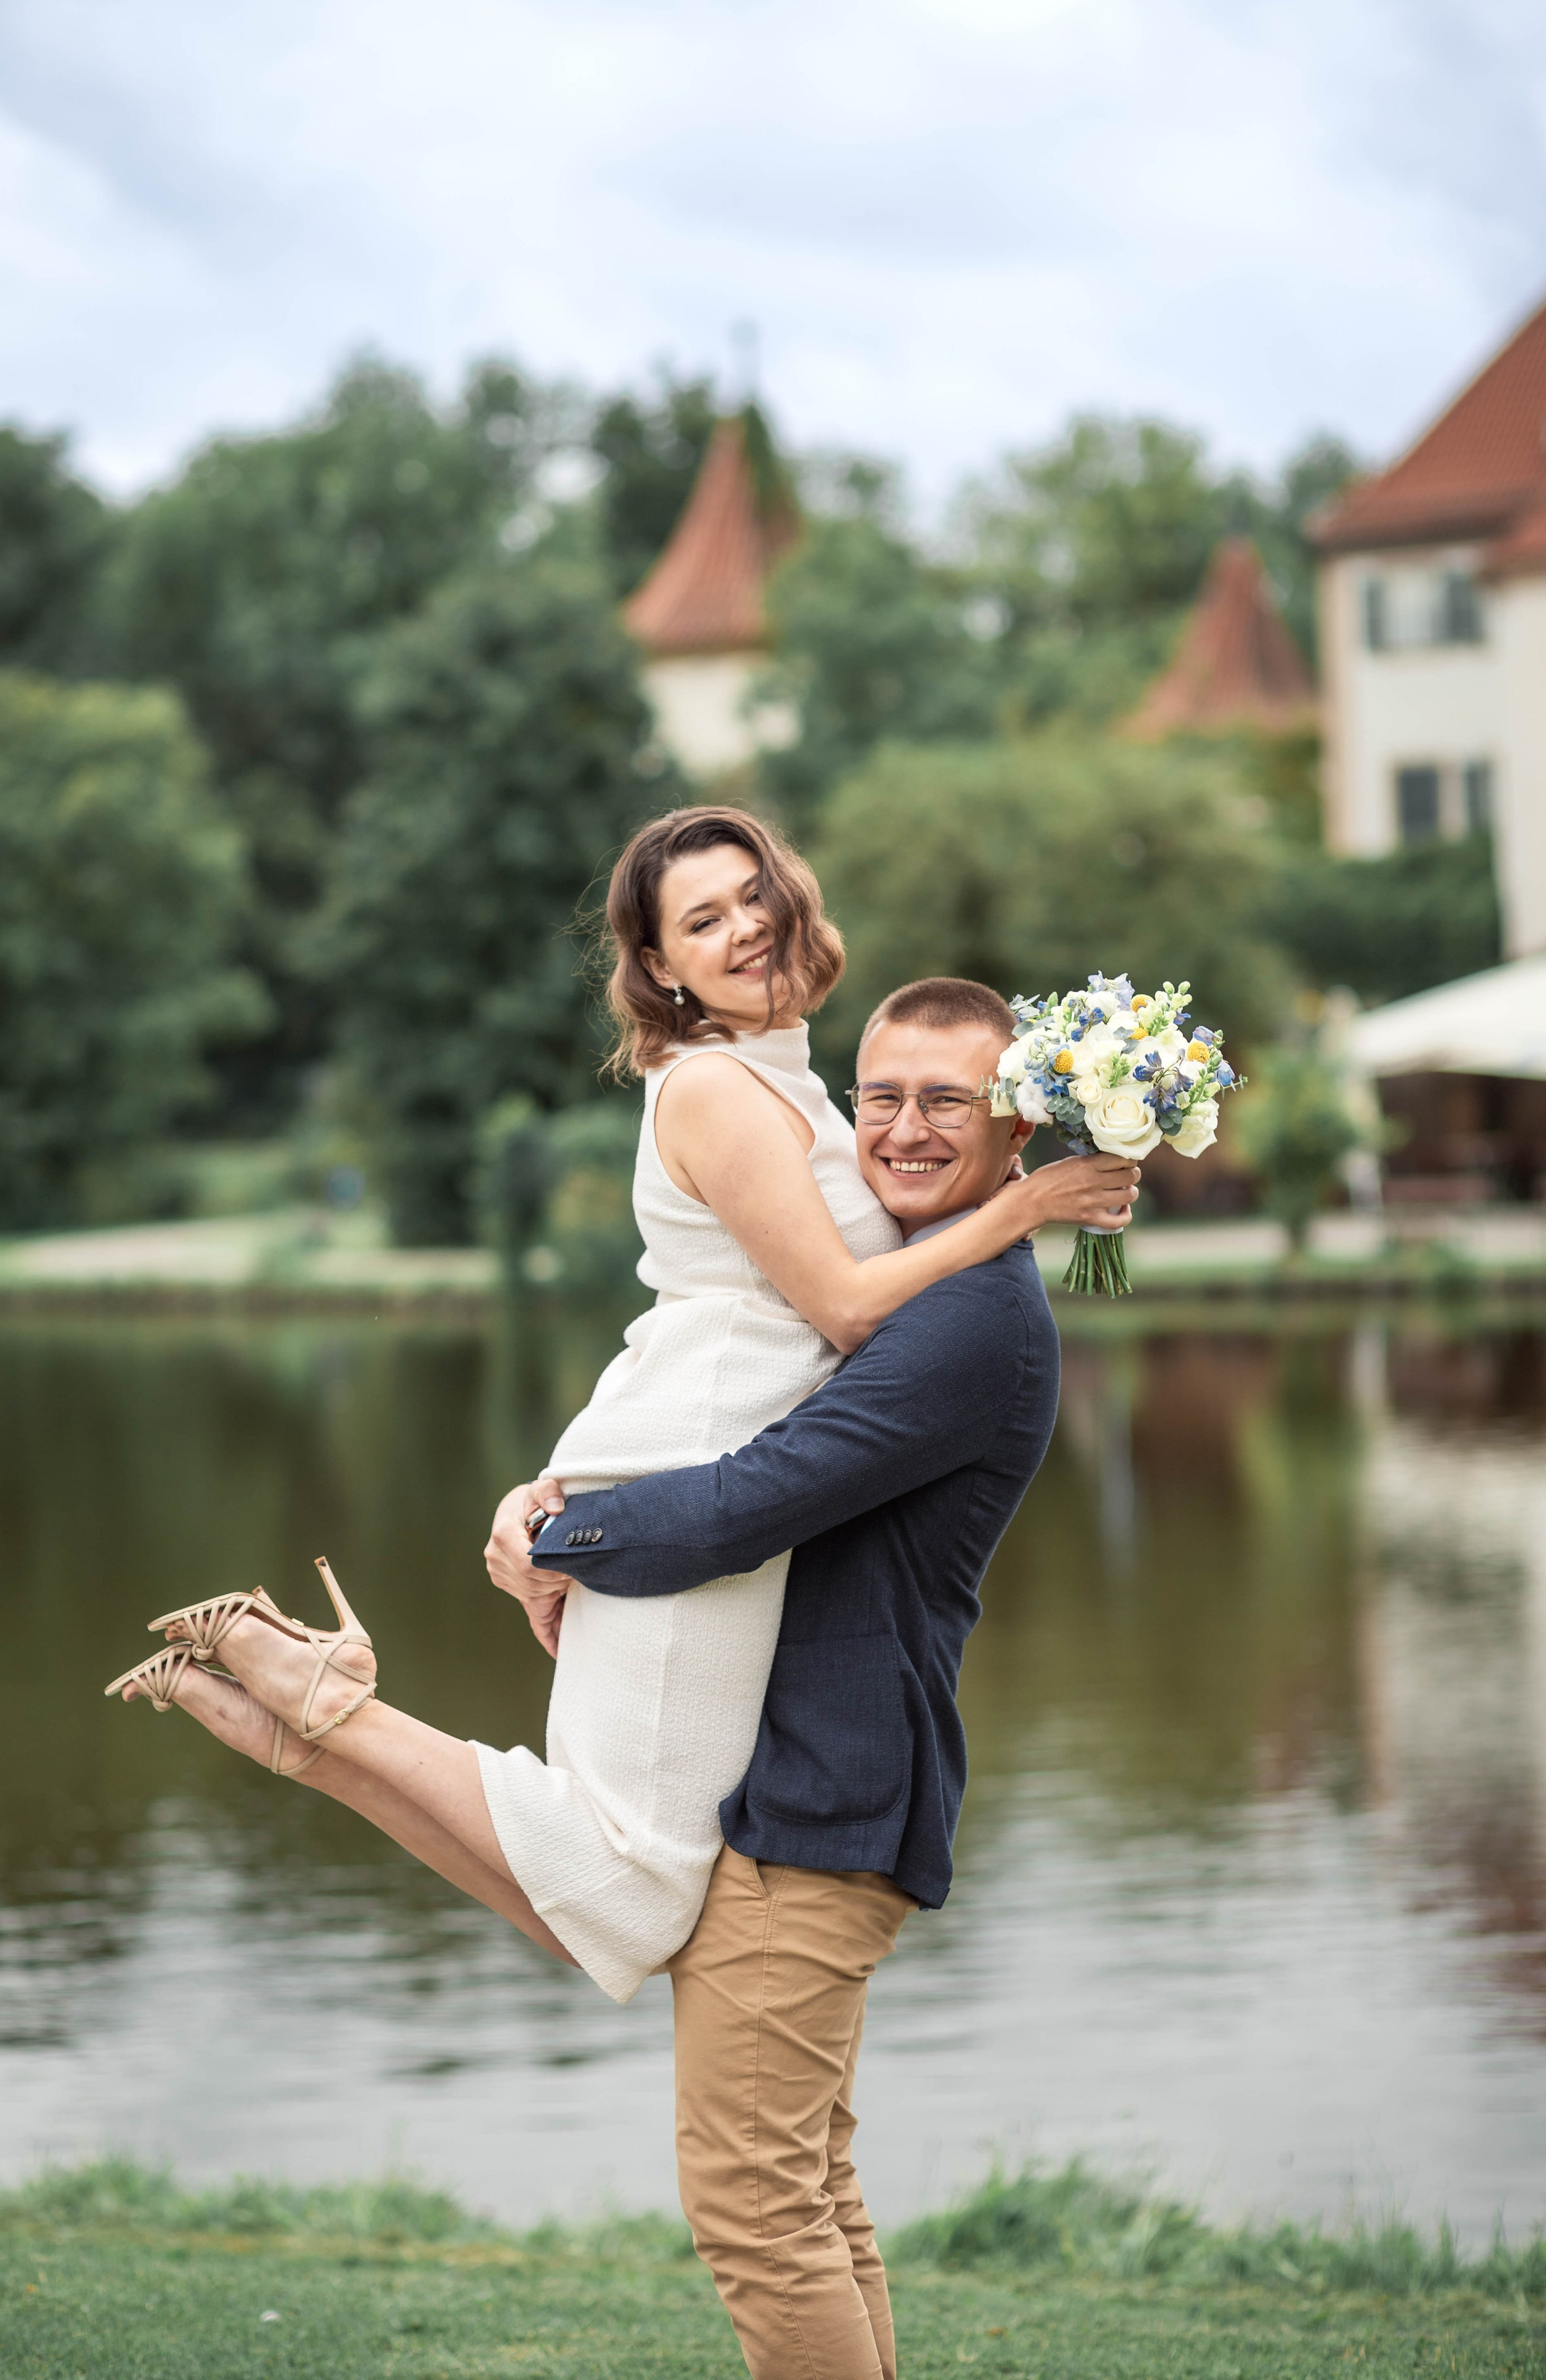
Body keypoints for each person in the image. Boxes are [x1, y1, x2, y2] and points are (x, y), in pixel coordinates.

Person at [104, 814, 1130, 2056]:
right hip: (690, 1471)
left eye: (752, 895)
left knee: (608, 1906)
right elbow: (845, 1306)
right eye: (701, 921)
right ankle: (332, 1708)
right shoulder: (714, 1086)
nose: (742, 926)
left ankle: (310, 1737)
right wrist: (1025, 1207)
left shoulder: (788, 1076)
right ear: (661, 970)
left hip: (676, 1444)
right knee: (633, 1880)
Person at [483, 974, 1077, 2380]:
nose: (906, 1129)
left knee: (753, 2208)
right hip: (814, 1788)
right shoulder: (909, 1285)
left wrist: (555, 1537)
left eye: (948, 1100)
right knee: (807, 2193)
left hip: (825, 1804)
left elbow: (751, 1502)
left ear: (1016, 1125)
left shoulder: (966, 1321)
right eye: (880, 1096)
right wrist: (553, 1492)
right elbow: (714, 1409)